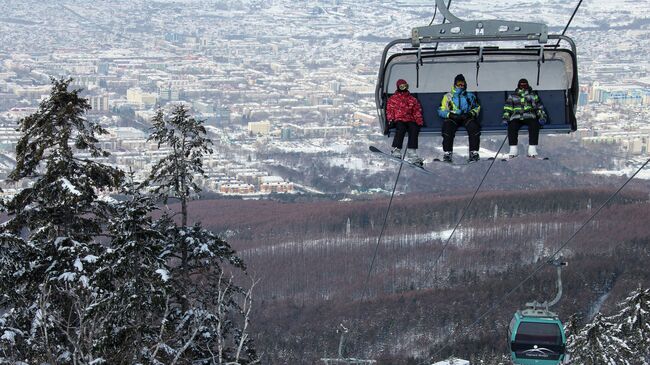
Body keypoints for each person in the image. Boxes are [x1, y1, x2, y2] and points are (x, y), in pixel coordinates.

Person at [437, 74, 481, 163]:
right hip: (454, 117)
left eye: (462, 84)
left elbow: (477, 108)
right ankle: (447, 153)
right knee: (447, 127)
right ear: (455, 84)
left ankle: (474, 152)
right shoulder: (448, 96)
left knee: (474, 126)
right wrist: (450, 115)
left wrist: (470, 114)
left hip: (465, 117)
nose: (461, 86)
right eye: (458, 84)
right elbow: (441, 110)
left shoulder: (470, 96)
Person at [502, 78, 547, 158]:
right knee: (512, 126)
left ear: (527, 85)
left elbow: (539, 108)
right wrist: (505, 118)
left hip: (529, 116)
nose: (523, 86)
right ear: (518, 86)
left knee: (534, 125)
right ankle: (513, 149)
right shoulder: (512, 96)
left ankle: (532, 149)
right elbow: (508, 108)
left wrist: (542, 117)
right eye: (521, 85)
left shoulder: (532, 96)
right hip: (516, 117)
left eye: (524, 85)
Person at [386, 79, 424, 166]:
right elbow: (389, 110)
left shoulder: (412, 99)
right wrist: (390, 119)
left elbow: (416, 111)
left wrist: (419, 120)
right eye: (401, 87)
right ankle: (397, 149)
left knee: (414, 128)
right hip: (399, 119)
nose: (404, 88)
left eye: (405, 86)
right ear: (398, 87)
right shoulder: (393, 99)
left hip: (410, 119)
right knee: (401, 128)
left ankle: (412, 151)